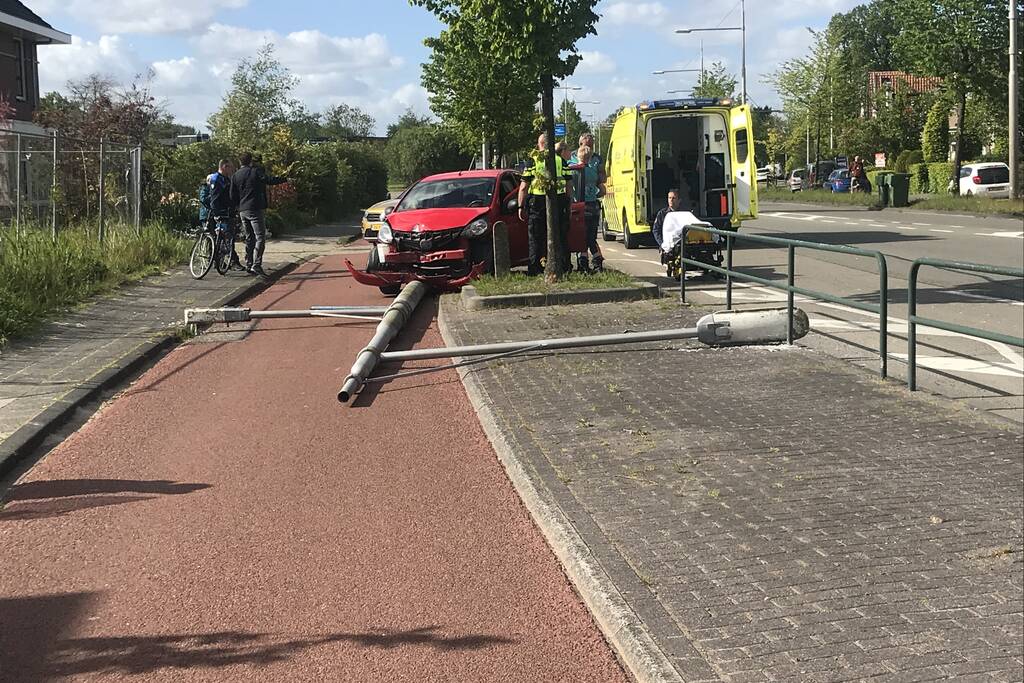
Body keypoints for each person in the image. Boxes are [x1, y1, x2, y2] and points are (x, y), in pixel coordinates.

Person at [517, 133, 572, 276]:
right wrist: (569, 205)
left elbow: (523, 187)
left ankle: (535, 269)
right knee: (559, 236)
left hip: (537, 203)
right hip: (558, 202)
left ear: (540, 144)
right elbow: (569, 186)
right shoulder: (560, 160)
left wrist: (520, 207)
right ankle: (564, 267)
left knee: (536, 237)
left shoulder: (533, 161)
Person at [230, 151, 286, 277]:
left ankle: (249, 263)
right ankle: (256, 264)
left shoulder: (235, 175)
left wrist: (237, 207)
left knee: (249, 237)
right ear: (251, 161)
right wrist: (284, 179)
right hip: (255, 208)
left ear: (240, 162)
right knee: (260, 237)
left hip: (242, 210)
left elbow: (232, 195)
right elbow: (268, 180)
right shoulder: (255, 172)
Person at [206, 159, 244, 270]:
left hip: (227, 212)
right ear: (224, 167)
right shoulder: (217, 179)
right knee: (227, 237)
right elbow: (215, 198)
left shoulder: (226, 179)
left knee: (226, 237)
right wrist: (218, 212)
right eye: (230, 167)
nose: (231, 170)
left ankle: (221, 260)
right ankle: (230, 261)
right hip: (222, 213)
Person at [573, 145, 605, 273]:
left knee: (582, 237)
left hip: (581, 206)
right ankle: (598, 263)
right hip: (593, 205)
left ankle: (583, 264)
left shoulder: (575, 171)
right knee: (591, 237)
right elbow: (600, 187)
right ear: (590, 158)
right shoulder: (593, 171)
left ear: (578, 157)